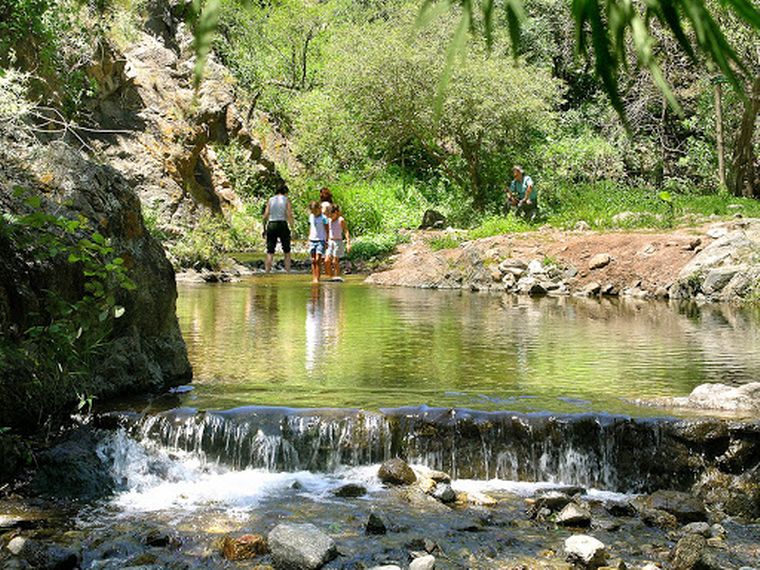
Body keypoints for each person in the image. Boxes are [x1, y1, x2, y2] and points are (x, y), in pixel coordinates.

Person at [262, 183, 295, 272]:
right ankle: (288, 272)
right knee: (287, 250)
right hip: (282, 224)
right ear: (285, 192)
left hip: (271, 224)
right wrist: (292, 228)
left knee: (270, 250)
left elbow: (265, 215)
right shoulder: (286, 200)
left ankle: (267, 271)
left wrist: (264, 228)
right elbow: (289, 214)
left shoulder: (270, 200)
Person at [326, 205, 351, 280]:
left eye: (331, 215)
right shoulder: (329, 220)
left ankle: (337, 277)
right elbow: (327, 231)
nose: (330, 217)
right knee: (327, 260)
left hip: (338, 242)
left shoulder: (340, 220)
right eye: (329, 215)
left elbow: (346, 231)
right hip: (330, 241)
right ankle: (331, 277)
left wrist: (348, 243)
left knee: (335, 261)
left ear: (336, 212)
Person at [307, 200, 329, 283]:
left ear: (319, 208)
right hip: (312, 239)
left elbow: (327, 230)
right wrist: (308, 239)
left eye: (315, 211)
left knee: (318, 259)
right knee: (313, 260)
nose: (314, 213)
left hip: (321, 240)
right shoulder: (311, 217)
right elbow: (310, 228)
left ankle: (317, 278)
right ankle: (314, 277)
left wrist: (327, 241)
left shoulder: (324, 218)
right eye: (312, 211)